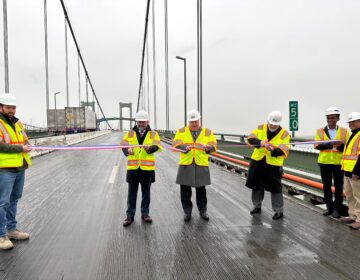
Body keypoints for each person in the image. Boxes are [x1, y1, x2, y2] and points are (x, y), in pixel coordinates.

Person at [172, 109, 217, 222]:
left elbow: (214, 145)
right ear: (188, 122)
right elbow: (175, 144)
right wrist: (183, 148)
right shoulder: (181, 131)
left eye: (196, 121)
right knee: (185, 191)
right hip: (186, 163)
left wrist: (208, 148)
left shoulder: (208, 132)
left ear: (199, 120)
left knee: (201, 190)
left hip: (201, 163)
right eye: (192, 122)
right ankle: (187, 212)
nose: (194, 123)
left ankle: (203, 211)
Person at [0, 93, 32, 250]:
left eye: (13, 107)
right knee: (3, 202)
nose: (11, 110)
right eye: (8, 107)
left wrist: (27, 144)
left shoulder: (18, 123)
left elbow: (25, 139)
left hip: (20, 166)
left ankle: (11, 230)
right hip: (4, 168)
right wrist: (21, 148)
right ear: (1, 107)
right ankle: (1, 236)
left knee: (14, 198)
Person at [246, 110, 290, 220]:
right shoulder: (260, 128)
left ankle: (278, 211)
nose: (273, 125)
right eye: (271, 123)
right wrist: (260, 143)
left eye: (275, 124)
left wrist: (273, 149)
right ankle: (257, 205)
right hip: (258, 161)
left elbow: (284, 151)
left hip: (273, 164)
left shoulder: (285, 134)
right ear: (268, 120)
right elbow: (250, 139)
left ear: (279, 123)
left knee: (276, 187)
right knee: (257, 184)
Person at [121, 110, 162, 227]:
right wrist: (127, 150)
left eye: (143, 122)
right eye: (139, 121)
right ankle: (130, 216)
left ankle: (145, 214)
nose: (141, 124)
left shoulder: (153, 134)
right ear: (136, 122)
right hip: (133, 168)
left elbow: (157, 146)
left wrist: (150, 149)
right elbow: (123, 144)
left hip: (147, 169)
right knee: (131, 194)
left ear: (147, 122)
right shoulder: (129, 133)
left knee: (146, 193)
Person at [314, 107, 349, 218]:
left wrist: (340, 147)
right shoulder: (319, 131)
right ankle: (329, 207)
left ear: (337, 119)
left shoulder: (344, 131)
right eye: (328, 118)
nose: (330, 120)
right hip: (324, 163)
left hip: (338, 163)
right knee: (326, 187)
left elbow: (348, 147)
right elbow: (317, 145)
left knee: (339, 187)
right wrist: (332, 144)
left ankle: (337, 209)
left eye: (333, 118)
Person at [340, 112, 360, 230]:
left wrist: (357, 172)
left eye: (354, 122)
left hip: (356, 173)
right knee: (350, 195)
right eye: (350, 122)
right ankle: (352, 215)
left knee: (359, 197)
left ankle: (359, 219)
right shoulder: (353, 134)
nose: (351, 124)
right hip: (347, 171)